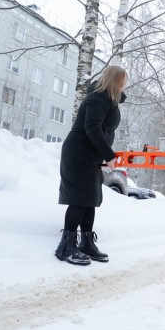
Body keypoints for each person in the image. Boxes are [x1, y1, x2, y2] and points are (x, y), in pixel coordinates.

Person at [56, 65, 127, 266]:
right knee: (79, 199)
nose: (124, 85)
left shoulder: (109, 101)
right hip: (78, 154)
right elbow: (92, 128)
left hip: (90, 156)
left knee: (91, 199)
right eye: (122, 81)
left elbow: (101, 130)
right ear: (115, 81)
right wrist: (109, 155)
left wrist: (102, 154)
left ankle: (87, 243)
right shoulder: (97, 98)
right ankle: (67, 246)